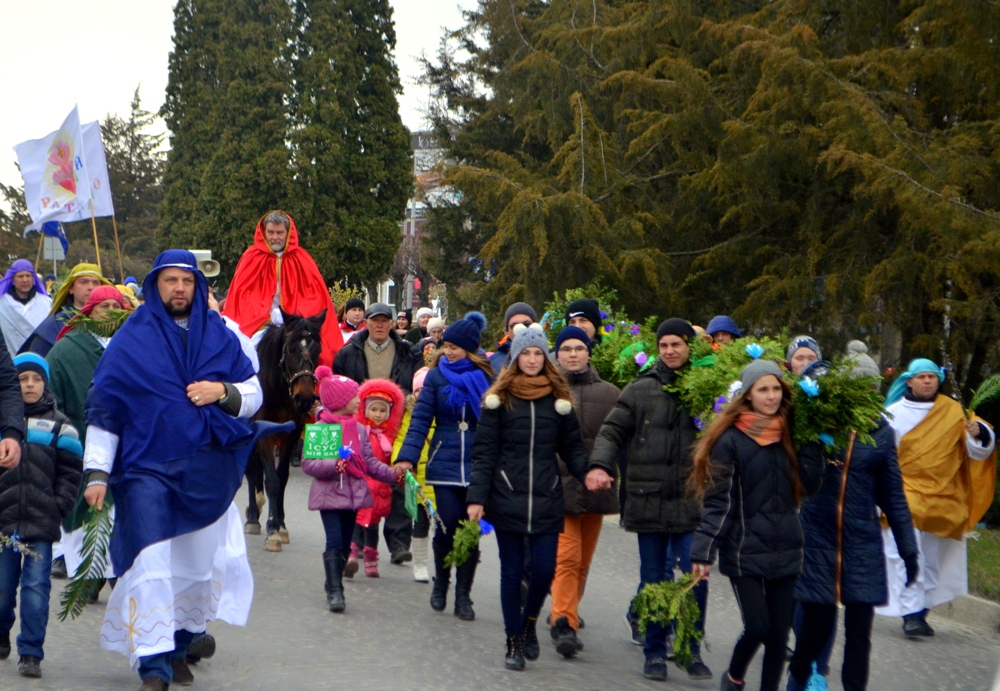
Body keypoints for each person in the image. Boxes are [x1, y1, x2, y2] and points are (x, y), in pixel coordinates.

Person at [81, 250, 268, 691]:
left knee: (197, 565)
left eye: (186, 281)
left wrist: (221, 391)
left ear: (198, 287)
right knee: (150, 560)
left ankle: (182, 643)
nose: (179, 288)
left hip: (207, 466)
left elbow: (254, 392)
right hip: (146, 467)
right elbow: (105, 409)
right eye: (170, 281)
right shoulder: (131, 338)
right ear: (155, 286)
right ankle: (154, 666)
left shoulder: (222, 337)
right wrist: (97, 474)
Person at [467, 323, 614, 671]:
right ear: (515, 357)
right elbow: (484, 454)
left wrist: (589, 472)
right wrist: (477, 497)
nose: (532, 359)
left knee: (545, 572)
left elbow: (573, 450)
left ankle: (530, 623)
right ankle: (513, 641)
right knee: (511, 572)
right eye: (525, 353)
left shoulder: (559, 402)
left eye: (538, 353)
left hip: (548, 496)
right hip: (507, 497)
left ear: (545, 358)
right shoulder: (497, 402)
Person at [690, 360, 825, 691]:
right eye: (763, 389)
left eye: (776, 388)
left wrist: (812, 448)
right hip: (744, 549)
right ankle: (735, 676)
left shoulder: (792, 433)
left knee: (780, 635)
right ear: (748, 395)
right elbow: (719, 502)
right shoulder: (730, 441)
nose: (771, 396)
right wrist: (704, 552)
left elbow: (809, 487)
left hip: (787, 547)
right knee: (759, 628)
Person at [590, 318, 711, 682]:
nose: (671, 351)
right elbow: (612, 430)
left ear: (690, 346)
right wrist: (600, 463)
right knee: (655, 577)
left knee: (695, 576)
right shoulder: (641, 389)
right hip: (649, 496)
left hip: (692, 498)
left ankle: (690, 649)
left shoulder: (706, 388)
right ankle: (655, 651)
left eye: (677, 344)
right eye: (664, 345)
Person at [788, 388, 918, 691]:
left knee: (859, 635)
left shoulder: (882, 434)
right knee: (814, 630)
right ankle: (800, 678)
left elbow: (894, 496)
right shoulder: (818, 425)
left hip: (862, 546)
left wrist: (909, 549)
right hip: (818, 541)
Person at [876, 359, 995, 637]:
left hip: (944, 496)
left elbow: (976, 451)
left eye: (932, 377)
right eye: (922, 377)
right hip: (905, 494)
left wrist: (980, 433)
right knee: (907, 554)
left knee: (931, 560)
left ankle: (921, 609)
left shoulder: (954, 412)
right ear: (909, 382)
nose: (927, 381)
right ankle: (910, 614)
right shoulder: (892, 414)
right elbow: (881, 457)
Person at [395, 313, 493, 619]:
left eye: (455, 347)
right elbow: (421, 419)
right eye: (446, 346)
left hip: (478, 462)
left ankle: (464, 595)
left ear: (470, 348)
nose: (448, 351)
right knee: (448, 524)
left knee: (470, 531)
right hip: (444, 460)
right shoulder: (436, 377)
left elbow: (498, 422)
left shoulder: (487, 378)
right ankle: (442, 583)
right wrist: (408, 456)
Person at [0, 354, 81, 678]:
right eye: (22, 379)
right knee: (3, 589)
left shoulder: (62, 426)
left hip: (41, 525)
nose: (30, 385)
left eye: (36, 379)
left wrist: (56, 509)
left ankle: (31, 652)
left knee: (36, 590)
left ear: (45, 383)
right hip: (4, 525)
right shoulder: (5, 426)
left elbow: (71, 474)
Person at [46, 285, 131, 583]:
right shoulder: (65, 351)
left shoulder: (132, 345)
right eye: (103, 306)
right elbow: (52, 399)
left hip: (129, 443)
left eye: (116, 306)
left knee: (123, 509)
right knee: (86, 509)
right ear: (89, 311)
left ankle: (115, 567)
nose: (110, 311)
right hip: (81, 441)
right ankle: (89, 573)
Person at [301, 368, 404, 612]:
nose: (359, 401)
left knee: (346, 546)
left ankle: (332, 581)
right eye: (354, 397)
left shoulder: (358, 429)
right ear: (339, 402)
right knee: (334, 541)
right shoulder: (322, 429)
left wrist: (393, 474)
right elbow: (309, 464)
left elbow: (369, 462)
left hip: (353, 495)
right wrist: (334, 465)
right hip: (328, 495)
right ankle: (336, 590)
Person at [548, 326, 620, 657]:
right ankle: (563, 622)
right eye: (566, 349)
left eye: (579, 348)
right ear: (557, 354)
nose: (573, 354)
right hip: (556, 485)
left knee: (583, 561)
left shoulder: (610, 394)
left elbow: (620, 439)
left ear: (589, 353)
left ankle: (567, 611)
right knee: (566, 556)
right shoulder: (546, 389)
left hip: (595, 488)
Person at [334, 302, 424, 564]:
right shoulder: (349, 353)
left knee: (398, 481)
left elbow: (418, 384)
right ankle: (358, 541)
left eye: (385, 320)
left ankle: (398, 544)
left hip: (396, 426)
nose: (380, 325)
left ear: (393, 324)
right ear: (368, 323)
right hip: (359, 425)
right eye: (375, 320)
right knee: (360, 480)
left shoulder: (408, 352)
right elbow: (339, 388)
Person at [222, 209, 344, 367]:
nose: (274, 237)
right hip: (258, 323)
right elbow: (241, 296)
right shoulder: (250, 257)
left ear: (288, 233)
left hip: (295, 322)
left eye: (279, 232)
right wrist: (265, 315)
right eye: (271, 232)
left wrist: (293, 317)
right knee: (245, 352)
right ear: (264, 232)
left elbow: (314, 296)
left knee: (315, 351)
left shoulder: (302, 258)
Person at [348, 378, 405, 578]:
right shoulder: (359, 432)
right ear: (365, 410)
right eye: (374, 410)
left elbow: (392, 461)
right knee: (356, 521)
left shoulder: (390, 437)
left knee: (373, 525)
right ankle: (352, 554)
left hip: (380, 489)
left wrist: (398, 476)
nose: (378, 415)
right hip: (360, 485)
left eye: (382, 411)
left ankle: (371, 558)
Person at [392, 367, 436, 582]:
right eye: (419, 390)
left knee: (447, 527)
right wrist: (399, 460)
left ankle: (443, 565)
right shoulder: (409, 416)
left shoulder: (443, 414)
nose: (423, 394)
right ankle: (420, 564)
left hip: (440, 477)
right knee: (421, 524)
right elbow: (402, 439)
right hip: (419, 479)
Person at [19, 263, 111, 357]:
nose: (91, 287)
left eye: (96, 283)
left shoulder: (112, 322)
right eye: (84, 282)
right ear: (71, 289)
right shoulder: (54, 325)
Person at [0, 260, 52, 355]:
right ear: (12, 279)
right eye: (20, 276)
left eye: (28, 276)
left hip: (39, 361)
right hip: (9, 363)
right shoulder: (2, 303)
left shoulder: (47, 302)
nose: (25, 280)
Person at [489, 302, 537, 373]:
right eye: (514, 326)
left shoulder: (550, 358)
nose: (521, 329)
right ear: (507, 331)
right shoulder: (493, 364)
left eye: (526, 324)